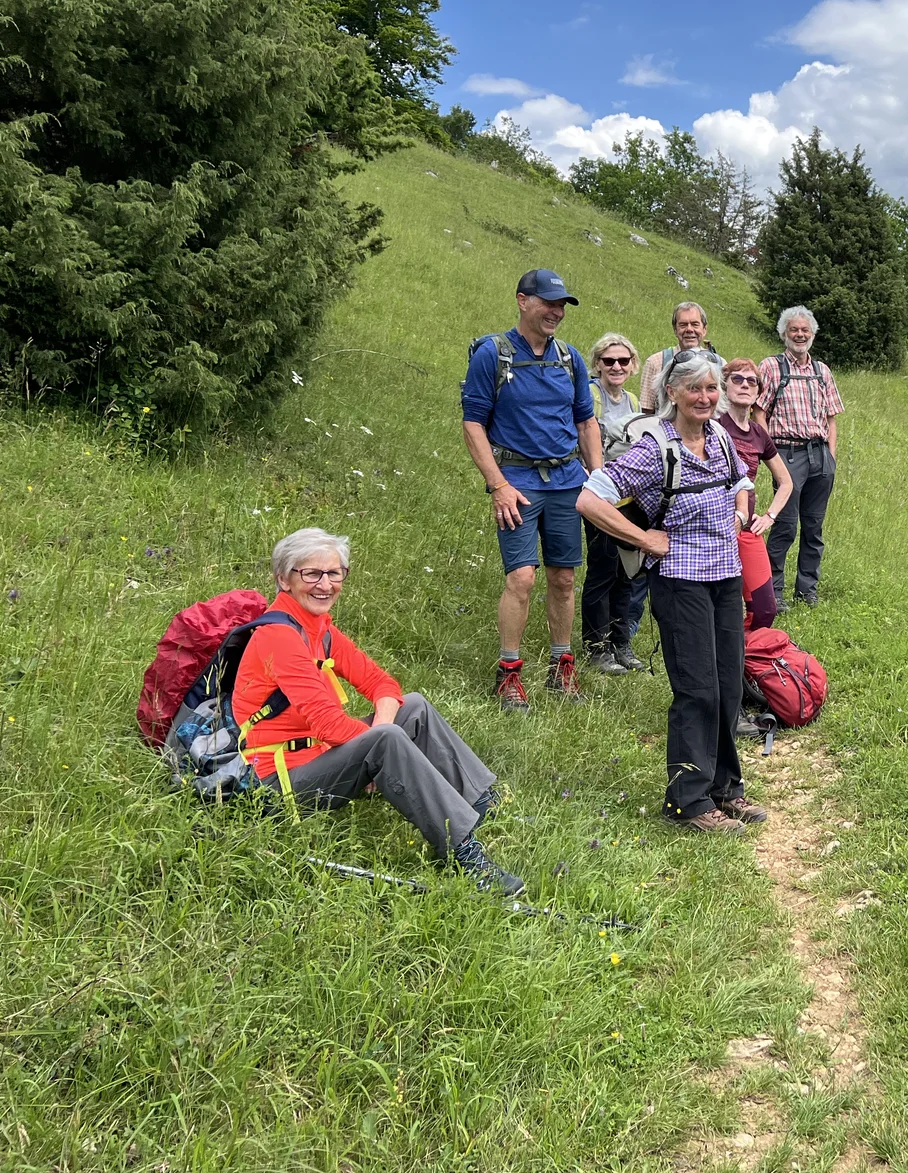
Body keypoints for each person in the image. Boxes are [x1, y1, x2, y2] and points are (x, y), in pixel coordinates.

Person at [235, 528, 524, 894]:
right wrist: (381, 742)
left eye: (335, 572)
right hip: (278, 785)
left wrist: (383, 733)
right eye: (311, 573)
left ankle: (482, 803)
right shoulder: (279, 634)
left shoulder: (318, 628)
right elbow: (328, 725)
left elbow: (383, 684)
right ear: (283, 579)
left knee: (413, 707)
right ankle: (463, 852)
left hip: (318, 757)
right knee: (385, 739)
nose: (325, 584)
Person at [577, 349, 766, 834]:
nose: (705, 398)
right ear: (673, 393)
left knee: (727, 685)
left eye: (711, 389)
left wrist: (741, 513)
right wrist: (643, 538)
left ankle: (726, 789)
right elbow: (589, 497)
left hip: (724, 577)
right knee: (697, 688)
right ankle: (688, 801)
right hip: (679, 580)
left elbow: (743, 481)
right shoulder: (653, 447)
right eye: (694, 389)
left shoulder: (721, 437)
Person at [461, 269, 601, 712]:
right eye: (549, 303)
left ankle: (562, 666)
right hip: (517, 484)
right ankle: (508, 673)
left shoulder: (570, 358)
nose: (557, 312)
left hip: (567, 482)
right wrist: (497, 485)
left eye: (563, 305)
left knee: (563, 578)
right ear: (523, 301)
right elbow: (472, 424)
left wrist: (598, 479)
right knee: (521, 577)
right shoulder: (493, 354)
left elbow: (586, 421)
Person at [756, 305, 843, 611]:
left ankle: (807, 591)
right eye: (794, 329)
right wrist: (769, 455)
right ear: (784, 334)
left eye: (805, 330)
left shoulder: (822, 371)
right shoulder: (771, 367)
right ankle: (774, 591)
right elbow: (759, 413)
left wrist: (830, 457)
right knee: (785, 526)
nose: (800, 334)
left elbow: (832, 417)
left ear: (813, 334)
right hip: (786, 453)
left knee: (814, 528)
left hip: (819, 455)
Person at [581, 332, 649, 674]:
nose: (617, 366)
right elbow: (580, 439)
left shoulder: (634, 401)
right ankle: (596, 648)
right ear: (597, 364)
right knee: (603, 569)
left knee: (629, 571)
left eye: (623, 361)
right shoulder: (590, 395)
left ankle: (621, 644)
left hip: (630, 497)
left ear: (633, 365)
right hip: (599, 495)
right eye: (609, 361)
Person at [718, 356, 792, 631]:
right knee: (722, 605)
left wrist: (770, 516)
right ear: (725, 386)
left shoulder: (760, 433)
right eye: (737, 379)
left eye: (752, 381)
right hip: (715, 527)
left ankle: (747, 656)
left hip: (748, 527)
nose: (745, 385)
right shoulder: (714, 425)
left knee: (765, 607)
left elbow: (785, 481)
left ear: (759, 391)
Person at [638, 301, 717, 414]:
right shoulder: (655, 363)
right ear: (675, 330)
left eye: (695, 324)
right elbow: (646, 410)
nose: (689, 329)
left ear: (704, 330)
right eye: (683, 325)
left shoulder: (718, 364)